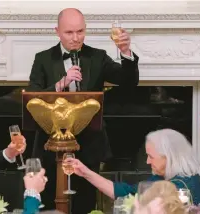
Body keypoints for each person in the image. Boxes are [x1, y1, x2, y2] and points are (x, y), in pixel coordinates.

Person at [27, 8, 139, 213]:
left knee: (85, 204)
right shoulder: (43, 59)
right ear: (57, 31)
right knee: (50, 202)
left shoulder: (97, 57)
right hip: (49, 144)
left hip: (88, 146)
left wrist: (125, 53)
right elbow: (33, 98)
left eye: (80, 31)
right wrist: (62, 82)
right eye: (69, 33)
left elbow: (128, 81)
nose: (76, 38)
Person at [66, 129, 200, 210]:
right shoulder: (164, 177)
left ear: (168, 157)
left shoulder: (180, 187)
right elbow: (125, 192)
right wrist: (85, 172)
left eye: (151, 156)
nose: (147, 161)